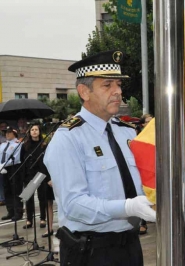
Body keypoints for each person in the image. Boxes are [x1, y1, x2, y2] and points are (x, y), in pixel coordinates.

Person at [44, 50, 156, 266]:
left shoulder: (126, 131)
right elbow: (74, 205)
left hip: (131, 246)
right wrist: (127, 208)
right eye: (107, 85)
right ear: (84, 92)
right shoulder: (68, 138)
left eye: (119, 85)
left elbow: (143, 181)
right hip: (91, 252)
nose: (117, 92)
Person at [22, 124, 47, 229]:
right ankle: (29, 220)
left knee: (42, 197)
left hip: (41, 173)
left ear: (39, 132)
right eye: (32, 130)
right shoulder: (25, 145)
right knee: (29, 198)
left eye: (36, 129)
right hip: (29, 174)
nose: (34, 131)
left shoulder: (43, 144)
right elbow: (22, 161)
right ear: (29, 132)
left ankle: (42, 219)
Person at [0, 127, 23, 221]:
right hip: (3, 168)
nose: (7, 134)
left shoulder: (18, 144)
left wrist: (3, 164)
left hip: (13, 168)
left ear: (14, 133)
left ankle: (18, 211)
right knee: (7, 190)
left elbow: (16, 158)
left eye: (9, 132)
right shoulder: (3, 145)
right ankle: (11, 211)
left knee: (15, 190)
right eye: (6, 133)